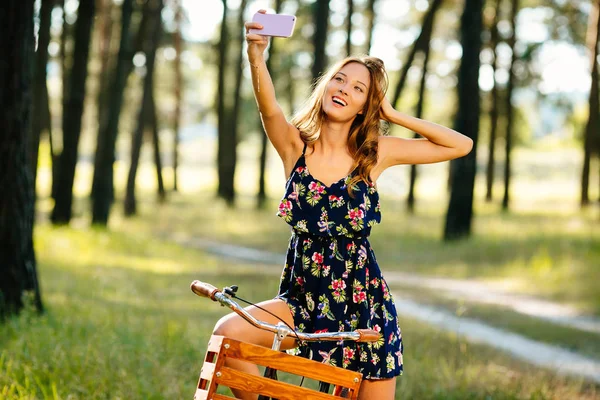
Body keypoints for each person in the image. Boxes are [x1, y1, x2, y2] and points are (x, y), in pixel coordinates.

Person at [213, 9, 473, 400]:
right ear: (324, 86)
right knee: (227, 335)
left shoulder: (375, 153)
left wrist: (393, 114)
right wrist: (256, 54)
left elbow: (460, 144)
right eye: (339, 79)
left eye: (358, 89)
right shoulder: (294, 147)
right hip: (302, 301)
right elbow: (269, 108)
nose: (343, 89)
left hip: (365, 308)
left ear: (366, 105)